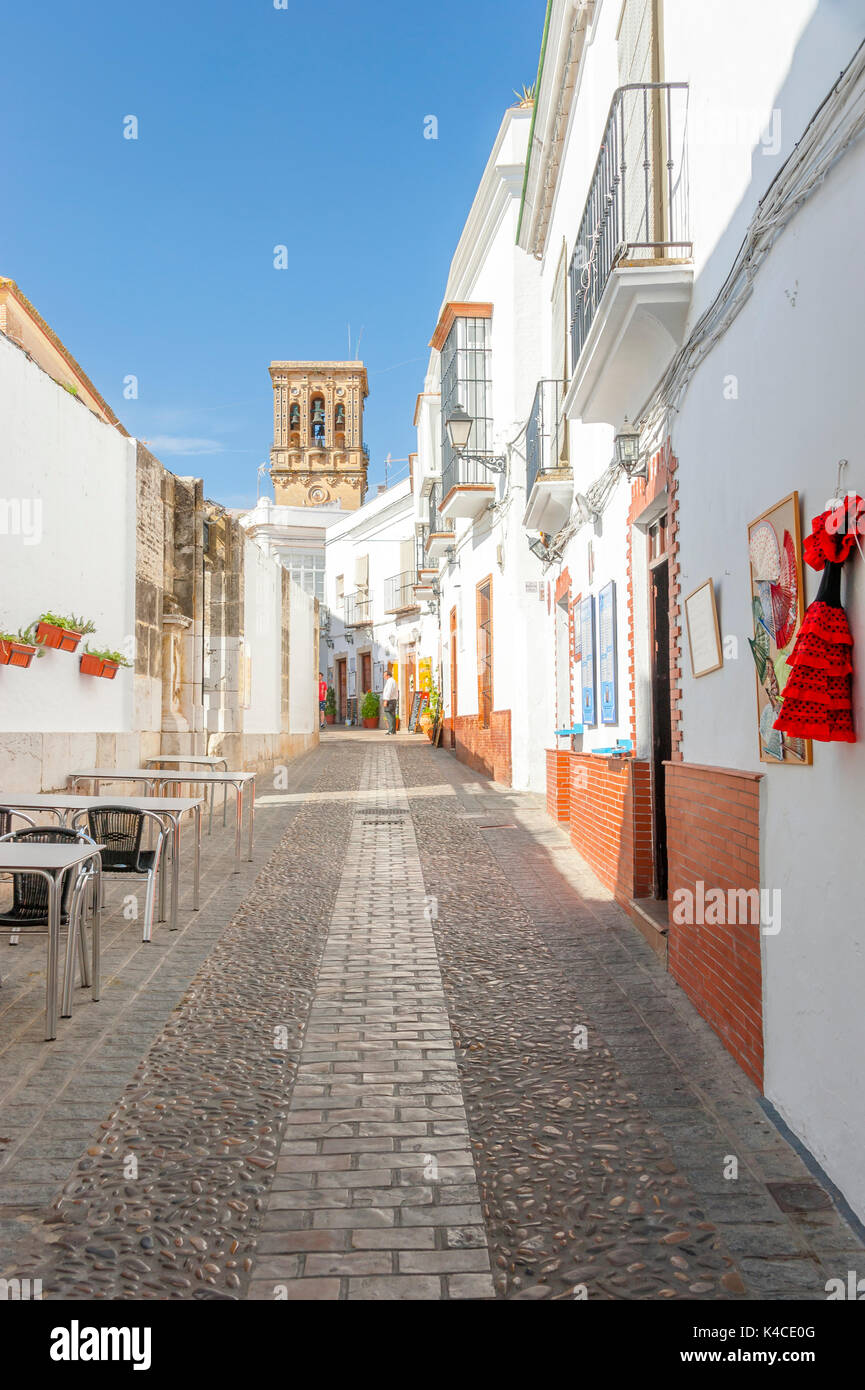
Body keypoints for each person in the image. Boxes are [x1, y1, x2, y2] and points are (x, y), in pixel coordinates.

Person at [382, 667, 398, 735]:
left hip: (390, 700)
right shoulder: (392, 681)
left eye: (384, 675)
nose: (384, 677)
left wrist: (386, 700)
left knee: (389, 715)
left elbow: (389, 691)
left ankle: (391, 730)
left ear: (388, 675)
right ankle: (393, 730)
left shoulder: (390, 681)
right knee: (392, 715)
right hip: (392, 700)